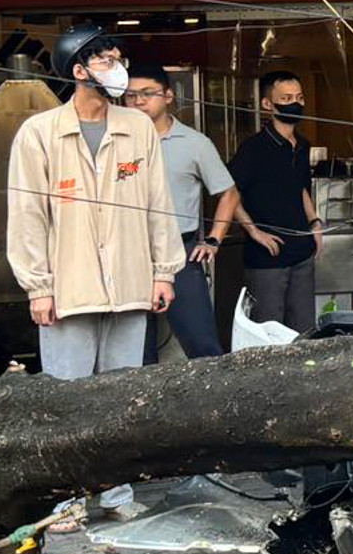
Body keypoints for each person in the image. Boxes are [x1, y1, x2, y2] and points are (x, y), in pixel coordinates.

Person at [4, 23, 179, 381]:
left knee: (122, 398)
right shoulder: (40, 132)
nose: (117, 69)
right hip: (68, 295)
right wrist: (39, 289)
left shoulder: (138, 127)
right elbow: (28, 216)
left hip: (131, 287)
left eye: (118, 60)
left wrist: (164, 272)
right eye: (104, 61)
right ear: (79, 71)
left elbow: (157, 205)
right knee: (68, 399)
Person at [124, 69, 238, 363]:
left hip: (181, 252)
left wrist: (213, 240)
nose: (138, 101)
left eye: (147, 93)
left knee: (202, 347)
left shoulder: (194, 143)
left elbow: (229, 193)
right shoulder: (118, 142)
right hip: (129, 252)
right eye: (130, 95)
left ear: (168, 96)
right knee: (134, 354)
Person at [230, 70, 322, 337]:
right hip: (267, 257)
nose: (294, 102)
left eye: (299, 97)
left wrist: (314, 222)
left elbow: (301, 187)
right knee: (269, 334)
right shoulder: (254, 148)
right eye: (286, 97)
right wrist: (253, 231)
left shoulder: (302, 145)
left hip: (302, 251)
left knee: (304, 332)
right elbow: (228, 194)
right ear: (267, 104)